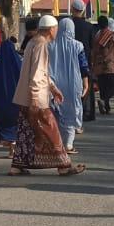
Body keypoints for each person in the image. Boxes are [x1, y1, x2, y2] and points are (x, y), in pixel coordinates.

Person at [9, 15, 86, 177]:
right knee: (52, 131)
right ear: (51, 29)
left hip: (24, 96)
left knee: (26, 133)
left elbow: (41, 72)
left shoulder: (32, 42)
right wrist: (35, 99)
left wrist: (53, 88)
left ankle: (17, 166)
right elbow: (37, 74)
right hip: (36, 98)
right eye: (55, 29)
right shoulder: (41, 45)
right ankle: (64, 166)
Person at [48, 15, 88, 153]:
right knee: (71, 113)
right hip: (73, 84)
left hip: (54, 84)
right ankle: (68, 145)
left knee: (56, 113)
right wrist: (86, 83)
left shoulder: (50, 45)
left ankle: (56, 143)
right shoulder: (78, 46)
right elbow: (83, 67)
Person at [0, 30, 24, 148]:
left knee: (4, 125)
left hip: (1, 105)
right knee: (15, 124)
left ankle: (9, 147)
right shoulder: (18, 64)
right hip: (16, 101)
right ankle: (13, 148)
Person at [88, 14, 114, 114]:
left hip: (98, 67)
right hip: (109, 66)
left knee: (103, 88)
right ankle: (103, 101)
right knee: (113, 86)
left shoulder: (96, 37)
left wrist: (93, 65)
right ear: (107, 24)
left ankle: (106, 108)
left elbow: (93, 52)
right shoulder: (113, 36)